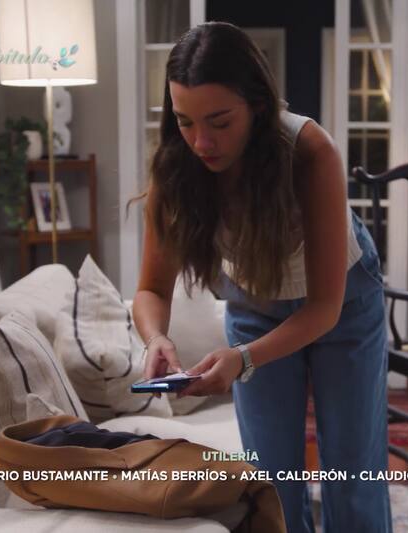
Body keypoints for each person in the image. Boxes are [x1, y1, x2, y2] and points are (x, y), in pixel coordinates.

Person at [131, 21, 392, 533]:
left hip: (342, 303)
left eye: (220, 121)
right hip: (255, 308)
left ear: (257, 104)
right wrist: (156, 337)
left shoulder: (311, 151)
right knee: (271, 478)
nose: (202, 141)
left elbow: (323, 309)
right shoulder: (176, 167)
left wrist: (243, 360)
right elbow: (150, 288)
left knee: (352, 472)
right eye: (185, 122)